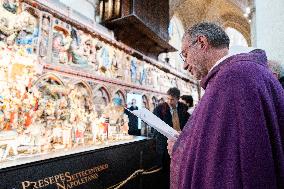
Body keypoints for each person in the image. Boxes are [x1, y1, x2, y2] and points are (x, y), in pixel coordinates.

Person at [168, 22, 284, 189]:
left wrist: (180, 150)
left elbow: (223, 162)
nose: (185, 64)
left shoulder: (230, 79)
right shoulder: (245, 71)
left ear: (202, 42)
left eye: (185, 54)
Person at [153, 87, 190, 189]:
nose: (169, 101)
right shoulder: (159, 109)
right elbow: (155, 126)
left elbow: (188, 125)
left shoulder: (183, 109)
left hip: (180, 144)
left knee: (179, 170)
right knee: (165, 171)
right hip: (164, 145)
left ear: (177, 99)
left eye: (172, 99)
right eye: (168, 98)